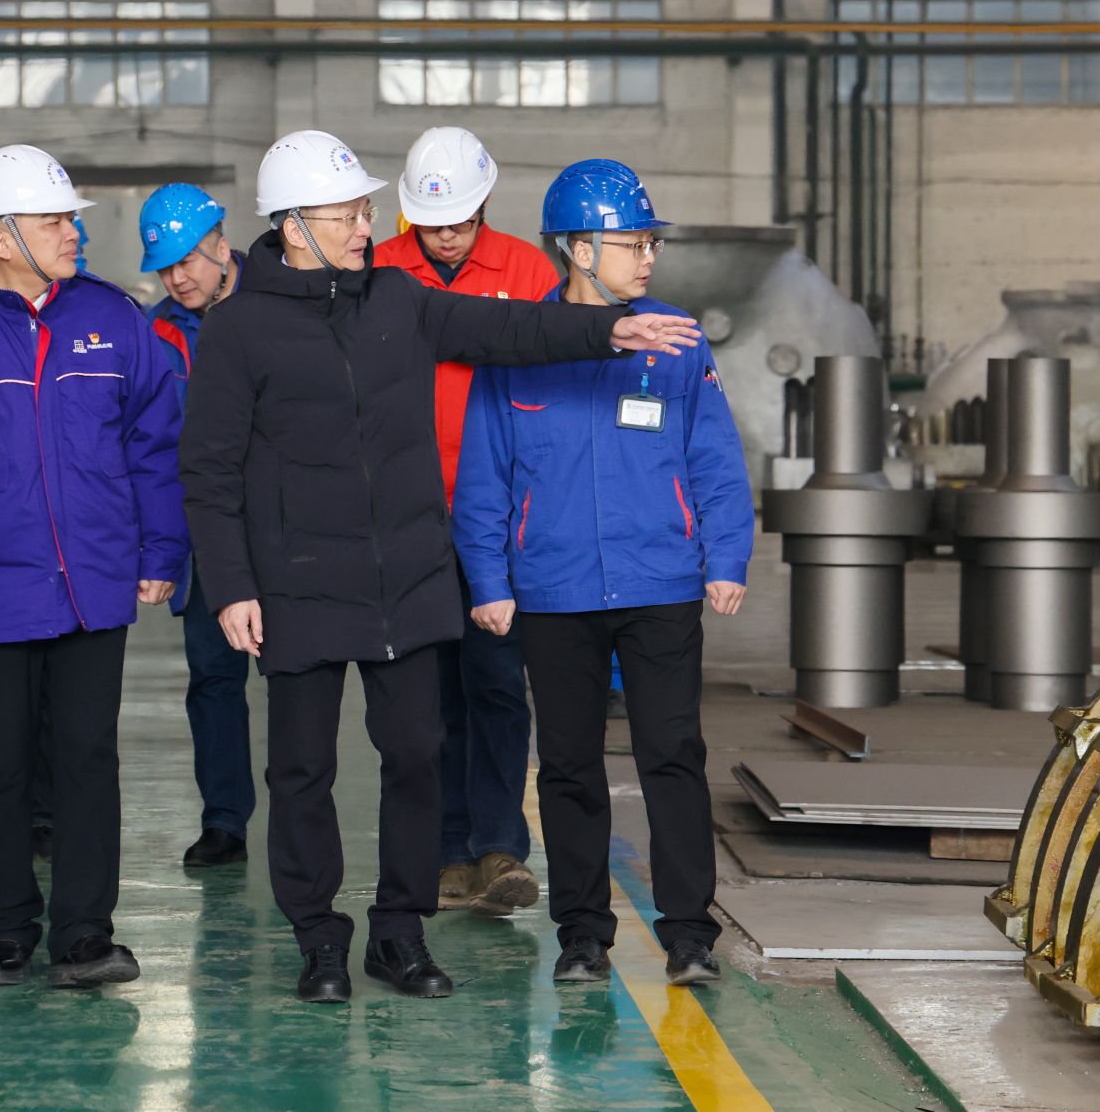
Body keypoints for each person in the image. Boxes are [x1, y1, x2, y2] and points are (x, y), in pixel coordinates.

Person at [178, 129, 700, 1005]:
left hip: (406, 579)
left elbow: (509, 326)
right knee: (301, 770)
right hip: (299, 580)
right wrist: (231, 584)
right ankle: (318, 938)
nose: (366, 226)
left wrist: (608, 328)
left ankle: (399, 930)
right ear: (295, 227)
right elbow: (208, 469)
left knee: (417, 756)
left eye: (364, 210)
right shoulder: (239, 329)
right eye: (348, 215)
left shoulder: (398, 298)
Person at [451, 158, 753, 989]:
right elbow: (485, 474)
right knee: (568, 766)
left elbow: (715, 458)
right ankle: (582, 933)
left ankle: (689, 933)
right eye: (632, 243)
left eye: (652, 242)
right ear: (578, 251)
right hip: (554, 588)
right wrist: (488, 578)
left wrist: (725, 554)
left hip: (661, 582)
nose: (648, 257)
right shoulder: (519, 348)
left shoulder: (677, 341)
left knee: (672, 756)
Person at [0, 143, 189, 991]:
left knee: (87, 759)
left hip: (92, 580)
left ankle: (84, 934)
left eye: (71, 219)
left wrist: (161, 548)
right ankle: (3, 934)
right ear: (1, 238)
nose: (74, 233)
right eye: (54, 222)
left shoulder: (113, 319)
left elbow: (156, 443)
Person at [374, 125, 549, 919]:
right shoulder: (378, 271)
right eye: (432, 222)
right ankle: (446, 849)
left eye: (460, 220)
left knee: (497, 683)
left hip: (499, 517)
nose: (446, 236)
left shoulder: (526, 270)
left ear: (484, 204)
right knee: (428, 691)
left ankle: (499, 844)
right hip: (406, 516)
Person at [138, 182, 253, 869]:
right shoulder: (156, 334)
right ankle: (225, 820)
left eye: (186, 260)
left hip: (285, 522)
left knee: (302, 679)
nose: (177, 278)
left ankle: (304, 817)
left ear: (221, 244)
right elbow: (151, 445)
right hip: (208, 531)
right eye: (164, 268)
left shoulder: (275, 304)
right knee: (213, 676)